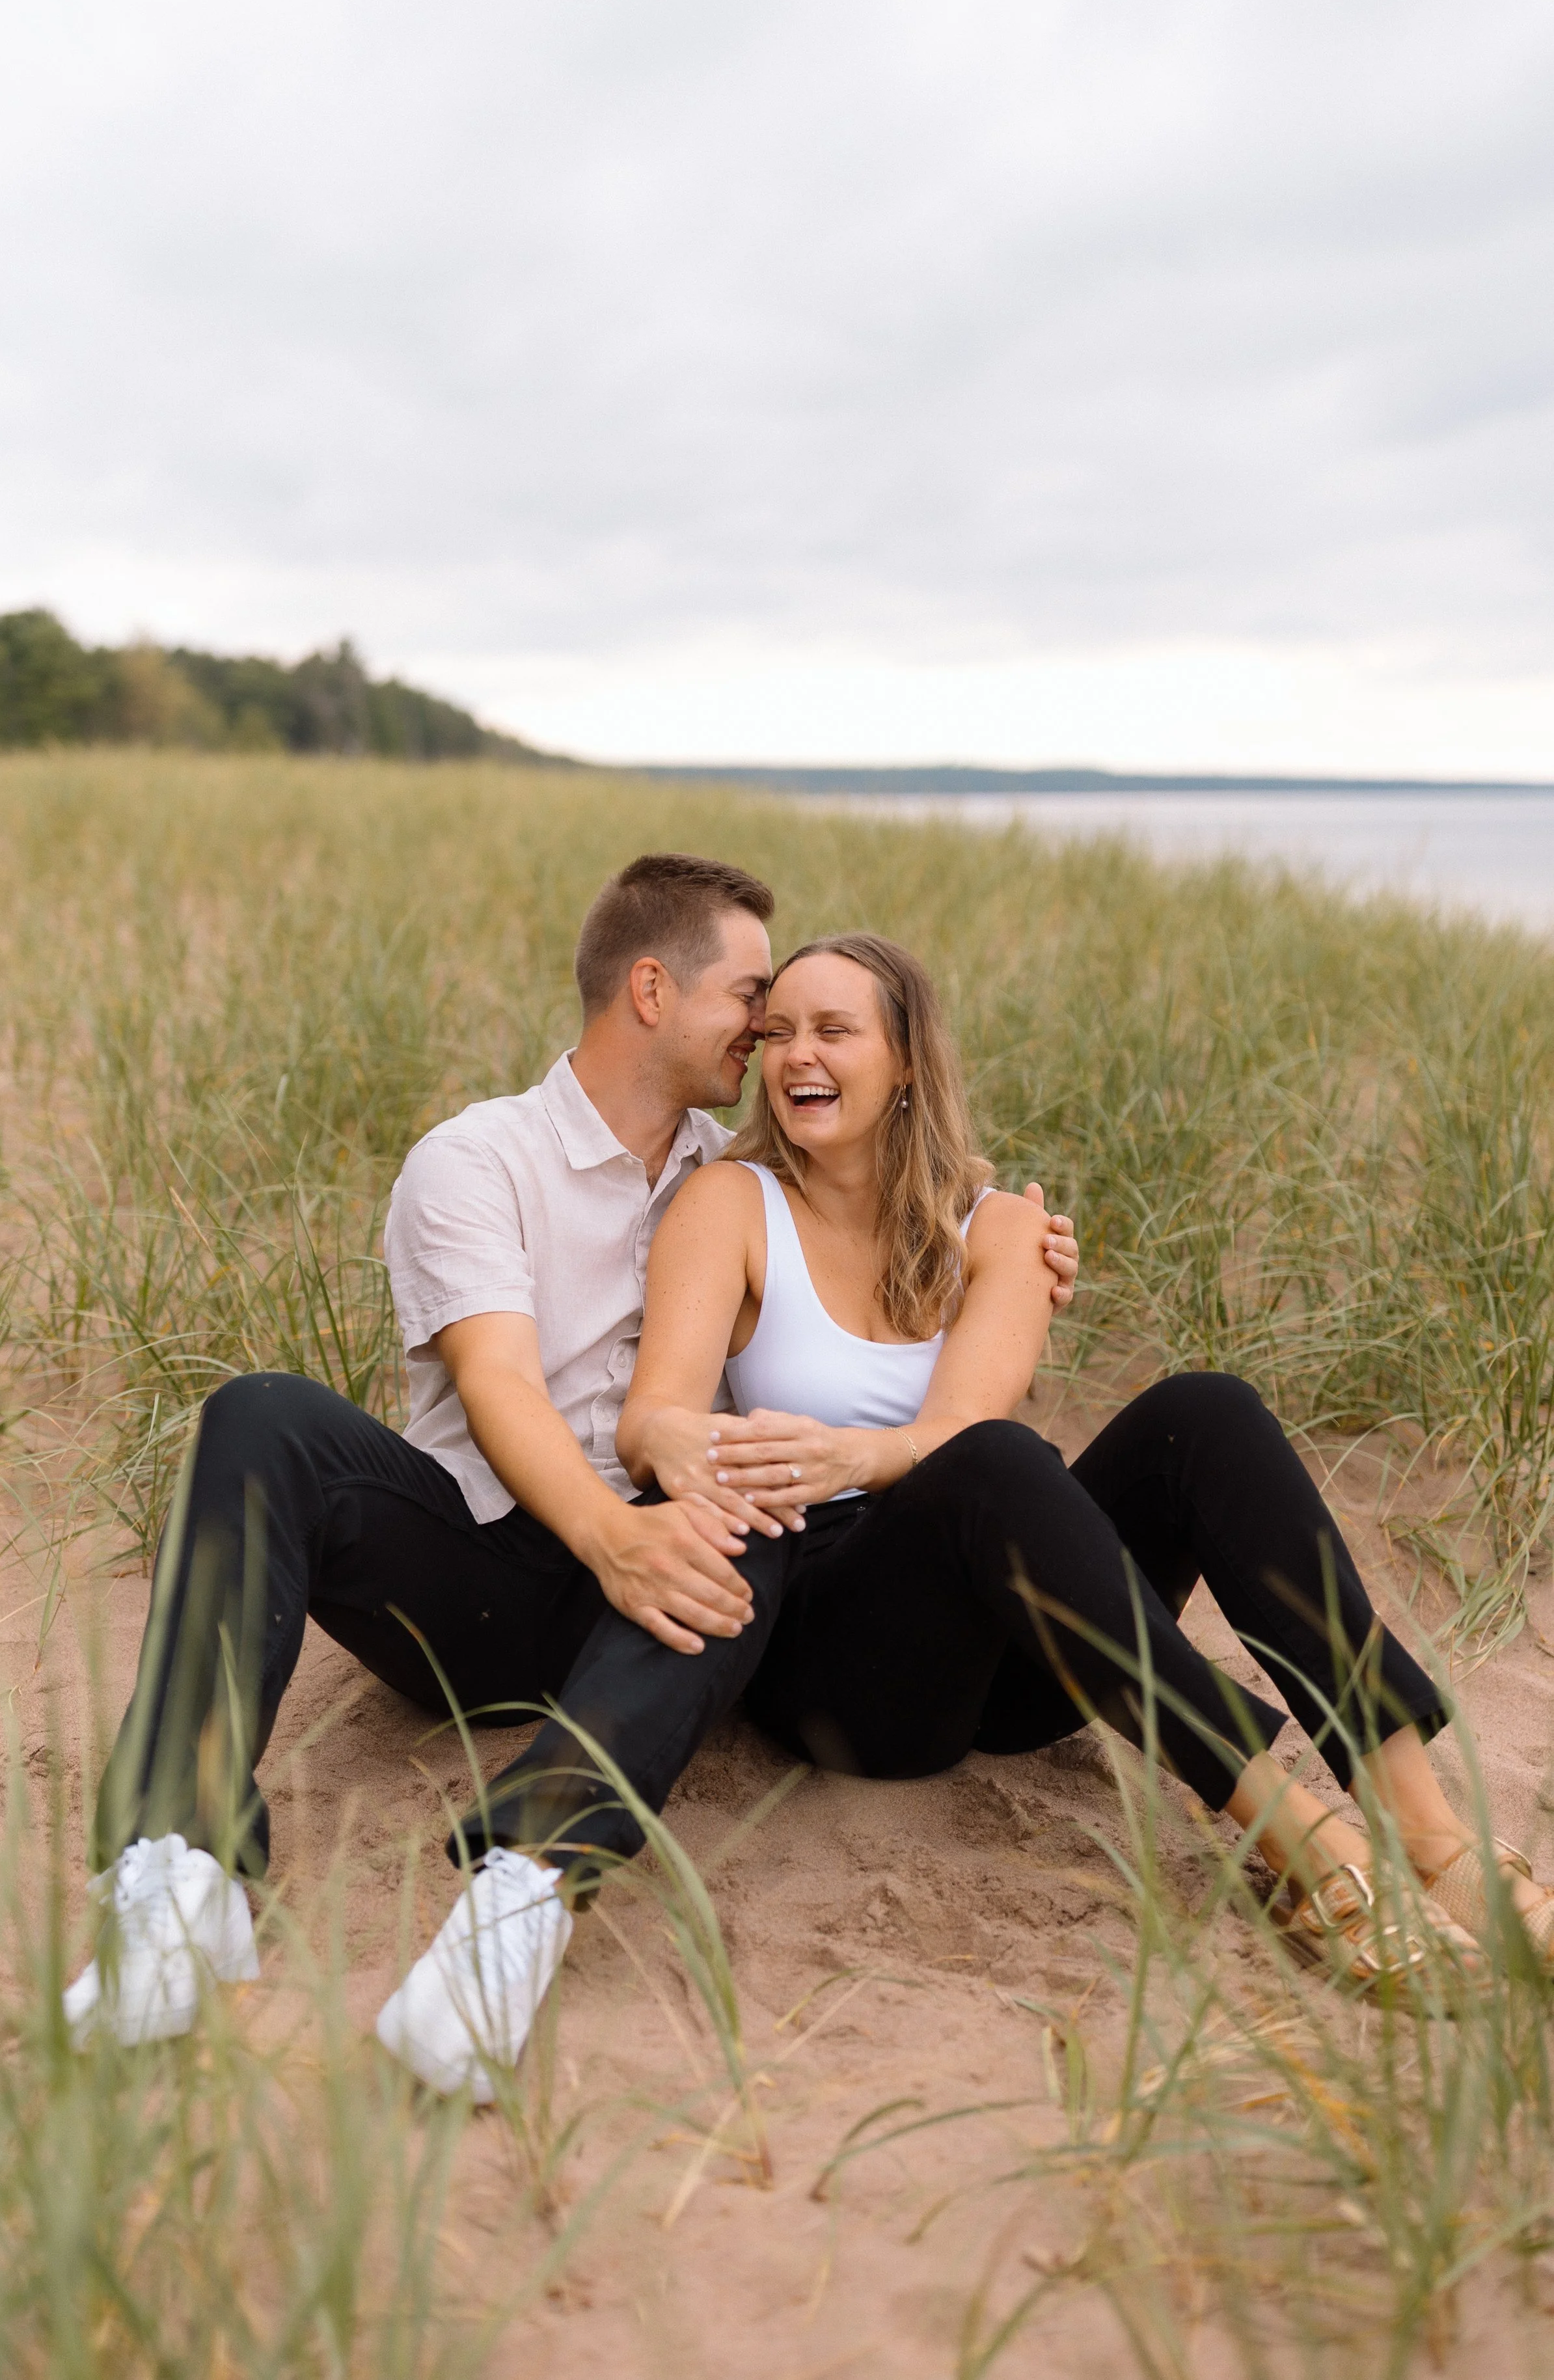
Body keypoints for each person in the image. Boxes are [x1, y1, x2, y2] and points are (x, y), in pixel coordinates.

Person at [60, 851, 1082, 2086]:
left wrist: (1018, 1242)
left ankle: (518, 1911)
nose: (767, 1031)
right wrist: (611, 1531)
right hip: (475, 1568)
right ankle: (182, 1867)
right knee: (263, 1415)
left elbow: (905, 1198)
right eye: (750, 996)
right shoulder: (477, 1159)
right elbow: (498, 1391)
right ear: (651, 989)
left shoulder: (743, 1175)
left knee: (737, 1487)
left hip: (658, 1609)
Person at [614, 930, 1554, 2007]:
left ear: (908, 1057)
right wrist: (720, 1451)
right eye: (777, 1031)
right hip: (841, 1658)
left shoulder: (1003, 1228)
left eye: (834, 1029)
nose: (794, 1056)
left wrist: (860, 1449)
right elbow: (656, 1422)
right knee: (993, 1466)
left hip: (1018, 1655)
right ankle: (1308, 1848)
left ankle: (1427, 1837)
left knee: (1206, 1411)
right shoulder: (732, 1204)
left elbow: (962, 1421)